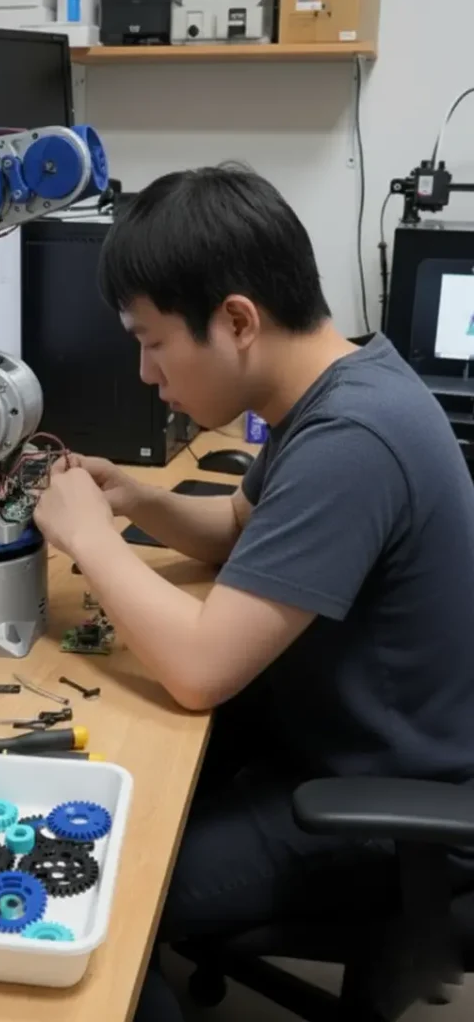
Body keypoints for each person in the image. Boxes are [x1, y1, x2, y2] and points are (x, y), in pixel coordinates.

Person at [32, 166, 474, 1012]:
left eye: (153, 341)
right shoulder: (345, 381)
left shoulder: (352, 439)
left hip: (394, 807)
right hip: (352, 741)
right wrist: (134, 500)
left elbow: (200, 669)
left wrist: (89, 538)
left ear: (237, 320)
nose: (146, 373)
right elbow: (243, 529)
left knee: (96, 886)